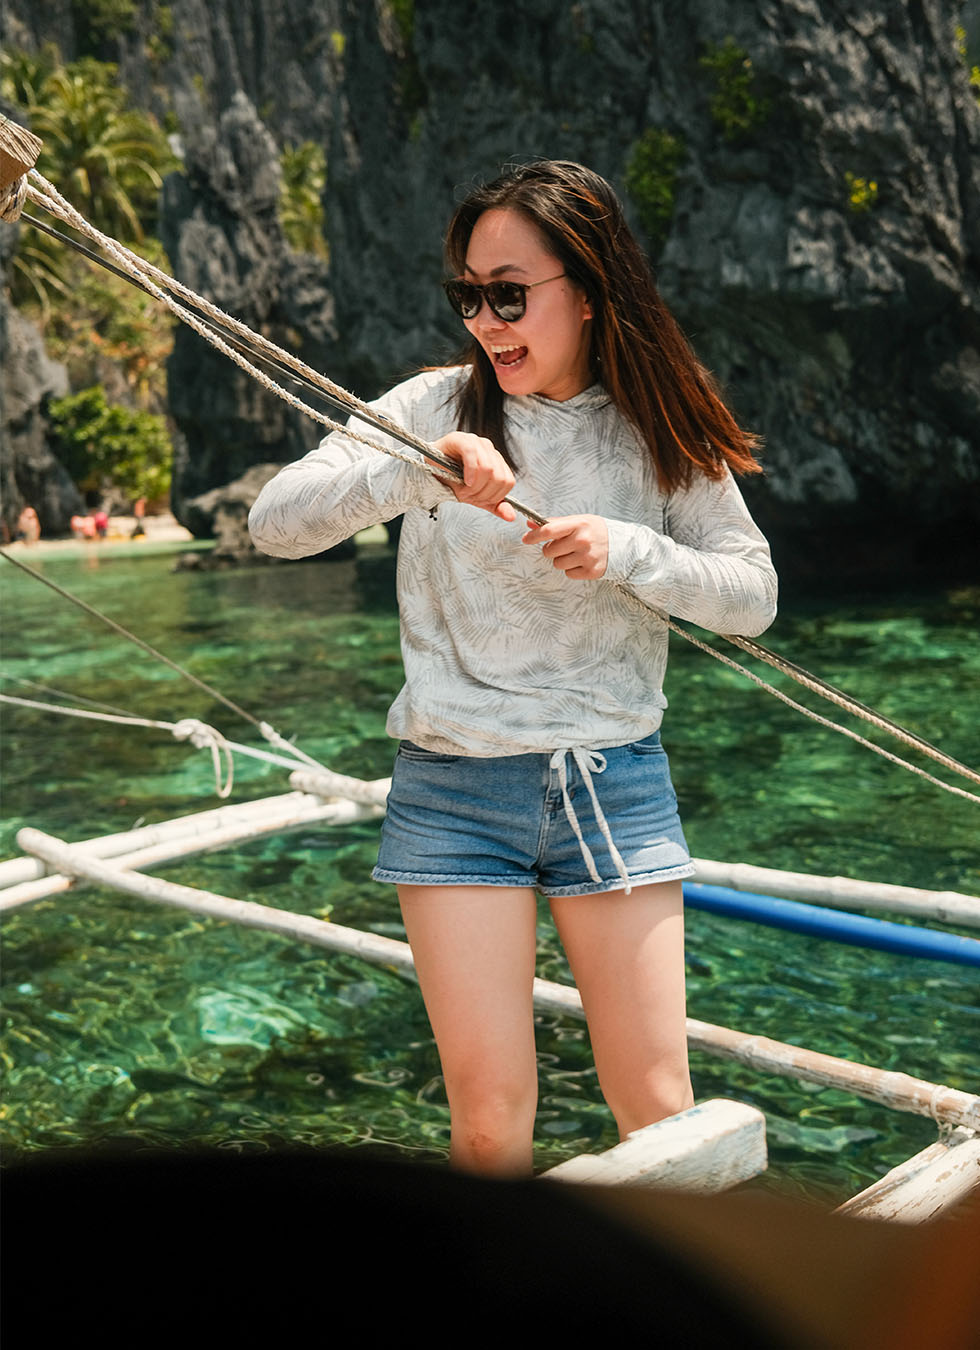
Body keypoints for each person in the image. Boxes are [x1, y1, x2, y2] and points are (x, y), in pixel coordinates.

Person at [249, 160, 777, 1177]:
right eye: (468, 295)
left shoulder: (654, 421)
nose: (486, 320)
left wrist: (628, 552)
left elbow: (749, 594)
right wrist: (412, 467)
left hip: (611, 782)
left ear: (583, 292)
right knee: (490, 1126)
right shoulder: (433, 404)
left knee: (660, 1111)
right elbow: (274, 525)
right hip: (452, 787)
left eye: (508, 293)